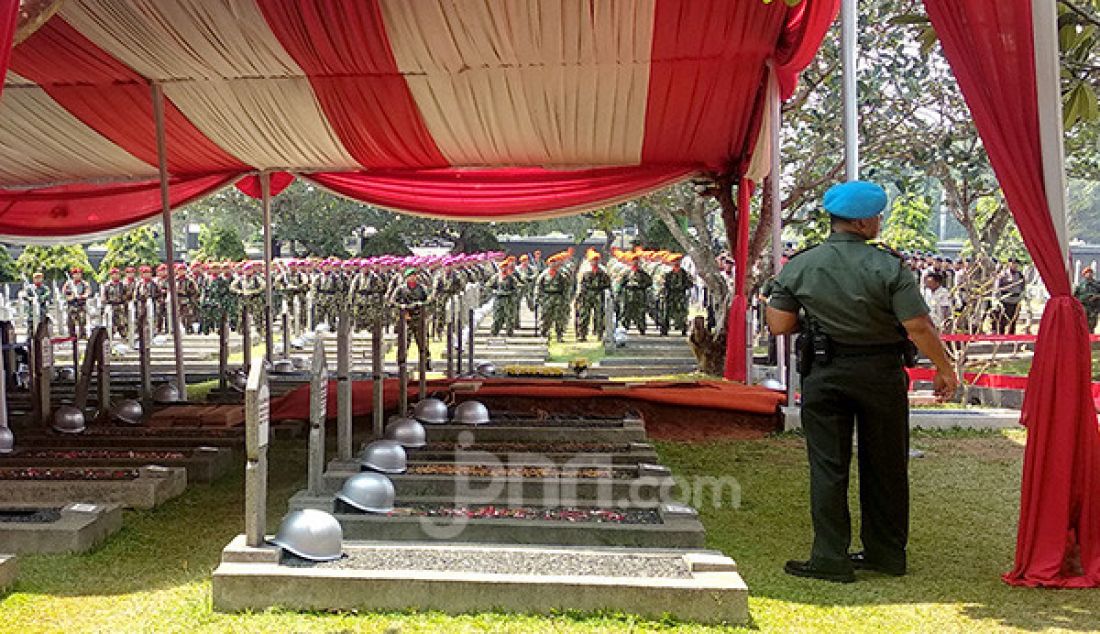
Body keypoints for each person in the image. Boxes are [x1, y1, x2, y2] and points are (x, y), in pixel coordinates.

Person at [765, 181, 957, 583]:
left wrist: (820, 324)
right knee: (886, 463)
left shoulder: (801, 264)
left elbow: (780, 324)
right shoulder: (890, 267)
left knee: (828, 465)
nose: (879, 222)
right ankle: (886, 554)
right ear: (865, 221)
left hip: (825, 372)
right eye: (878, 217)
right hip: (881, 375)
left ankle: (830, 557)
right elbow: (917, 326)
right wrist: (944, 367)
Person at [993, 258, 1026, 334]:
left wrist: (1021, 297)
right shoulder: (1003, 274)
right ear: (1009, 264)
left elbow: (1023, 287)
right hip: (1005, 300)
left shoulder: (1020, 275)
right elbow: (997, 287)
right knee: (1003, 320)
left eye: (1016, 264)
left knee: (1013, 320)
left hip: (1015, 300)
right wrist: (996, 300)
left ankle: (1011, 336)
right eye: (1013, 263)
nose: (1015, 265)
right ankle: (1001, 336)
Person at [1074, 267, 1100, 333]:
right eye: (1087, 273)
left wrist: (1096, 296)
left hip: (1093, 309)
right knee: (1082, 325)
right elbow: (1075, 297)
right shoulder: (1080, 286)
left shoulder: (1097, 285)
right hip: (1083, 308)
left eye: (1090, 272)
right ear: (1084, 274)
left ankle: (1091, 340)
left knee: (1092, 325)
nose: (1089, 274)